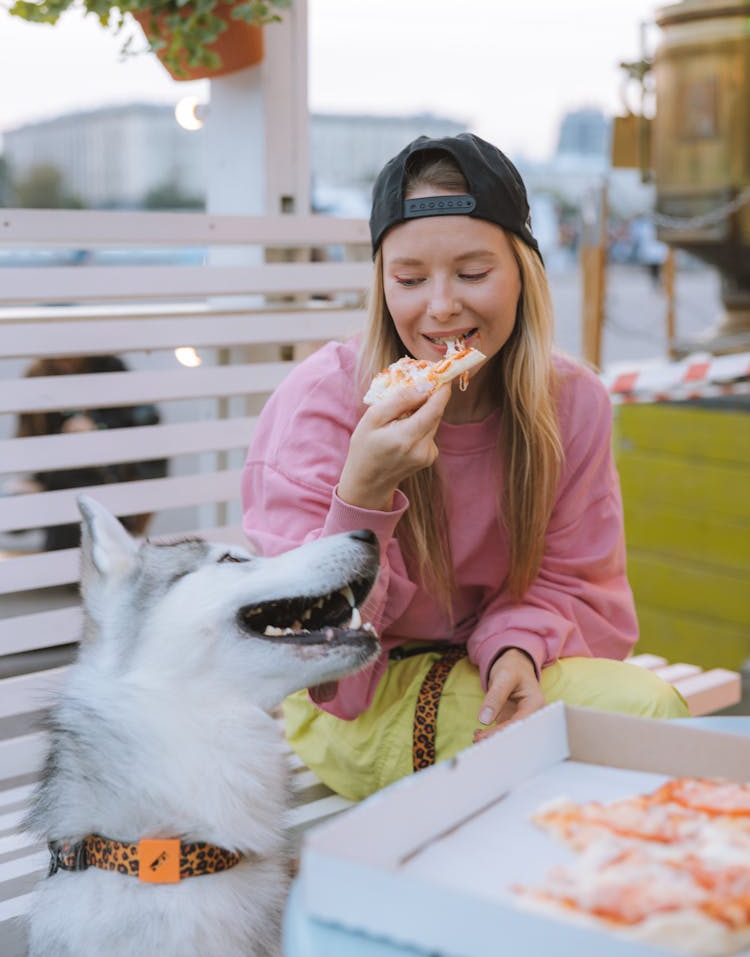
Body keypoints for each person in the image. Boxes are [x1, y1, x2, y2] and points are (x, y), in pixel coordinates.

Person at [241, 133, 689, 802]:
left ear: (523, 271)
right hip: (352, 700)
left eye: (473, 273)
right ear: (381, 281)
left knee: (645, 719)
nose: (442, 306)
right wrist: (364, 491)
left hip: (495, 671)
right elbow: (307, 651)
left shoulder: (572, 403)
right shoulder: (323, 403)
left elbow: (576, 582)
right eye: (410, 279)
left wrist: (516, 647)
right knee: (647, 718)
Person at [12, 354, 167, 551]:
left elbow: (149, 457)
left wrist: (98, 432)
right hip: (61, 507)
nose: (64, 362)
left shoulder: (111, 371)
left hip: (109, 498)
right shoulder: (36, 378)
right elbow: (31, 448)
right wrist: (35, 484)